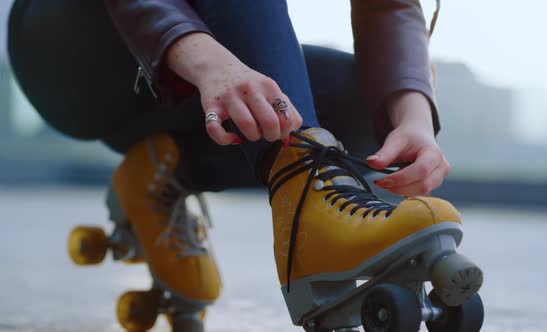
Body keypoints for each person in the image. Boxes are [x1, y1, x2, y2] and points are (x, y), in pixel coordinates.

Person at [8, 0, 478, 329]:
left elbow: (388, 6)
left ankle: (164, 171)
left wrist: (413, 117)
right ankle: (310, 210)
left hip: (173, 86)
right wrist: (209, 63)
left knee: (365, 102)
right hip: (71, 49)